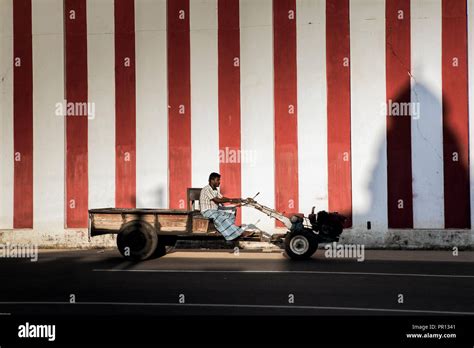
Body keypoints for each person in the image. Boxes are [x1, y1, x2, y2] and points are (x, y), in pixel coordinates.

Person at [199, 172, 252, 240]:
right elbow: (217, 200)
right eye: (217, 180)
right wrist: (231, 200)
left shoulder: (215, 189)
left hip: (214, 211)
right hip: (207, 211)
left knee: (230, 215)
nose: (219, 182)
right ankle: (240, 233)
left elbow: (222, 198)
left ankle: (226, 232)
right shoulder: (207, 189)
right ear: (212, 180)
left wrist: (235, 200)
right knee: (222, 218)